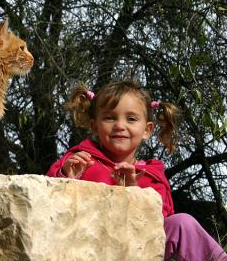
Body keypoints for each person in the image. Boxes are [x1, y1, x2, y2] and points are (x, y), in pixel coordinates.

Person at [47, 80, 227, 261]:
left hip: (140, 250)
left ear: (147, 130)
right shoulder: (81, 159)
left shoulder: (150, 174)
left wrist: (135, 193)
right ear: (95, 125)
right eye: (109, 117)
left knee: (182, 223)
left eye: (131, 119)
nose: (120, 125)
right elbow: (47, 199)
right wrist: (66, 178)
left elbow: (159, 219)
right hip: (92, 247)